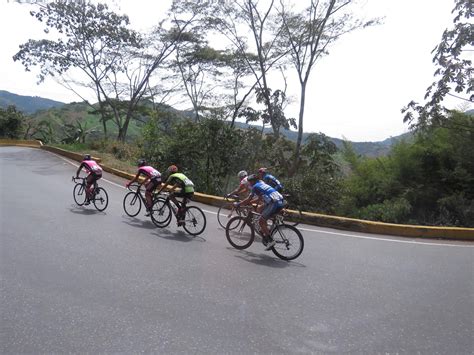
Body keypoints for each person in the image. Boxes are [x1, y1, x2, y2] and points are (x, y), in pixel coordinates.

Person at [235, 174, 285, 250]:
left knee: (261, 221)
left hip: (274, 203)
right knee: (260, 209)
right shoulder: (261, 184)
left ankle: (270, 241)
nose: (249, 184)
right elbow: (260, 198)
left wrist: (238, 204)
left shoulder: (255, 186)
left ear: (253, 181)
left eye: (250, 182)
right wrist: (250, 202)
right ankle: (267, 230)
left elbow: (248, 199)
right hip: (279, 200)